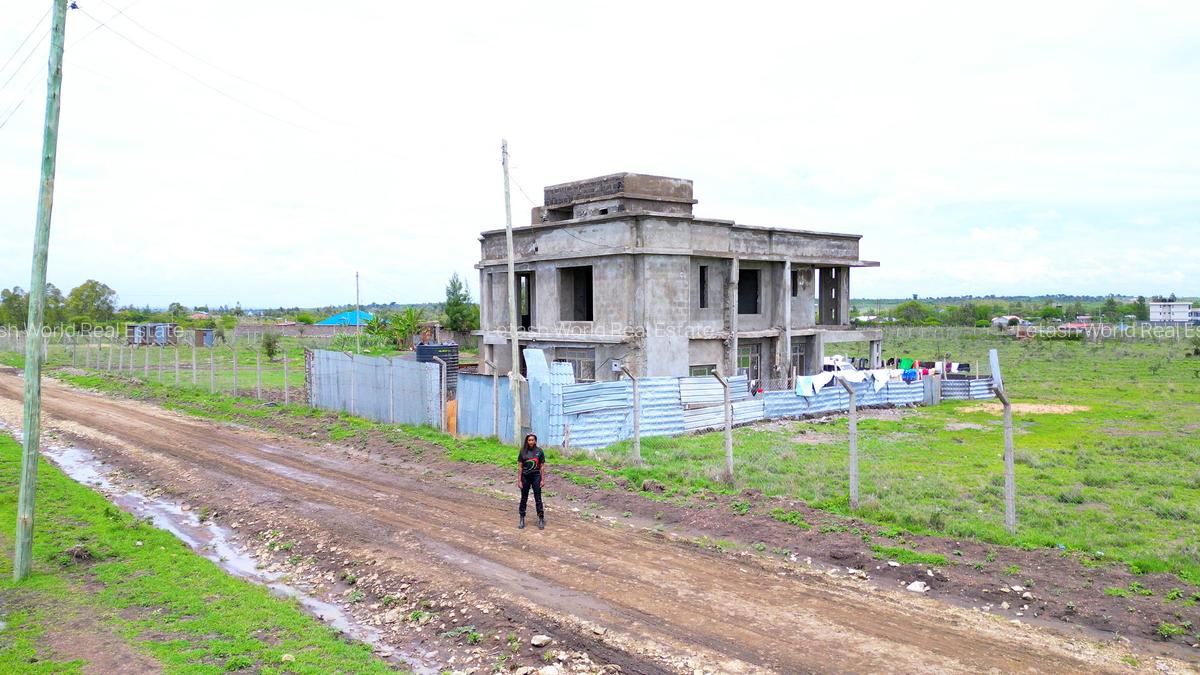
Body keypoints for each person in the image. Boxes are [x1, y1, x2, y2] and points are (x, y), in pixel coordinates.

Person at [516, 433, 546, 530]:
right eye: (529, 440)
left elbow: (542, 467)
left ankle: (541, 518)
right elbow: (520, 467)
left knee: (538, 498)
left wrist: (542, 479)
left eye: (532, 440)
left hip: (536, 477)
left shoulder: (539, 451)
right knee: (524, 498)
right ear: (527, 441)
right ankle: (522, 518)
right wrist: (519, 480)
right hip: (525, 477)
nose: (531, 441)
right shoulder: (523, 452)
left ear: (535, 441)